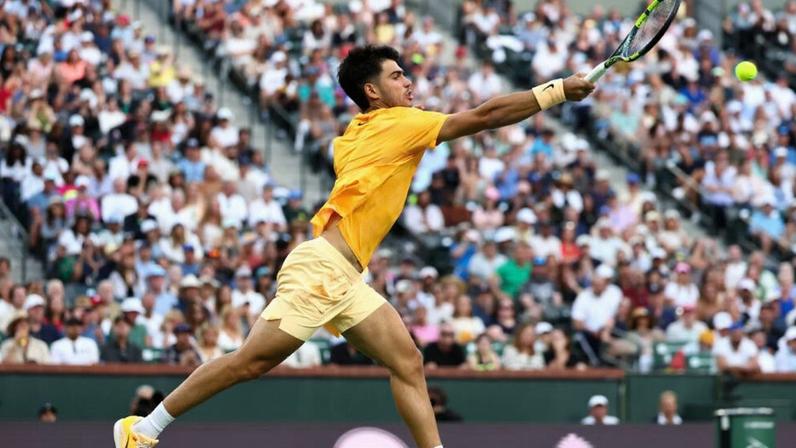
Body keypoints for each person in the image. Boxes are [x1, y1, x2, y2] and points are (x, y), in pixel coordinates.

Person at [114, 44, 594, 448]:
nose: (409, 83)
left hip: (344, 276)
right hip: (322, 268)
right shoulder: (398, 122)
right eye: (397, 75)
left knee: (407, 361)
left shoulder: (354, 135)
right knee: (249, 362)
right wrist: (556, 92)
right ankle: (143, 430)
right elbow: (485, 116)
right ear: (372, 92)